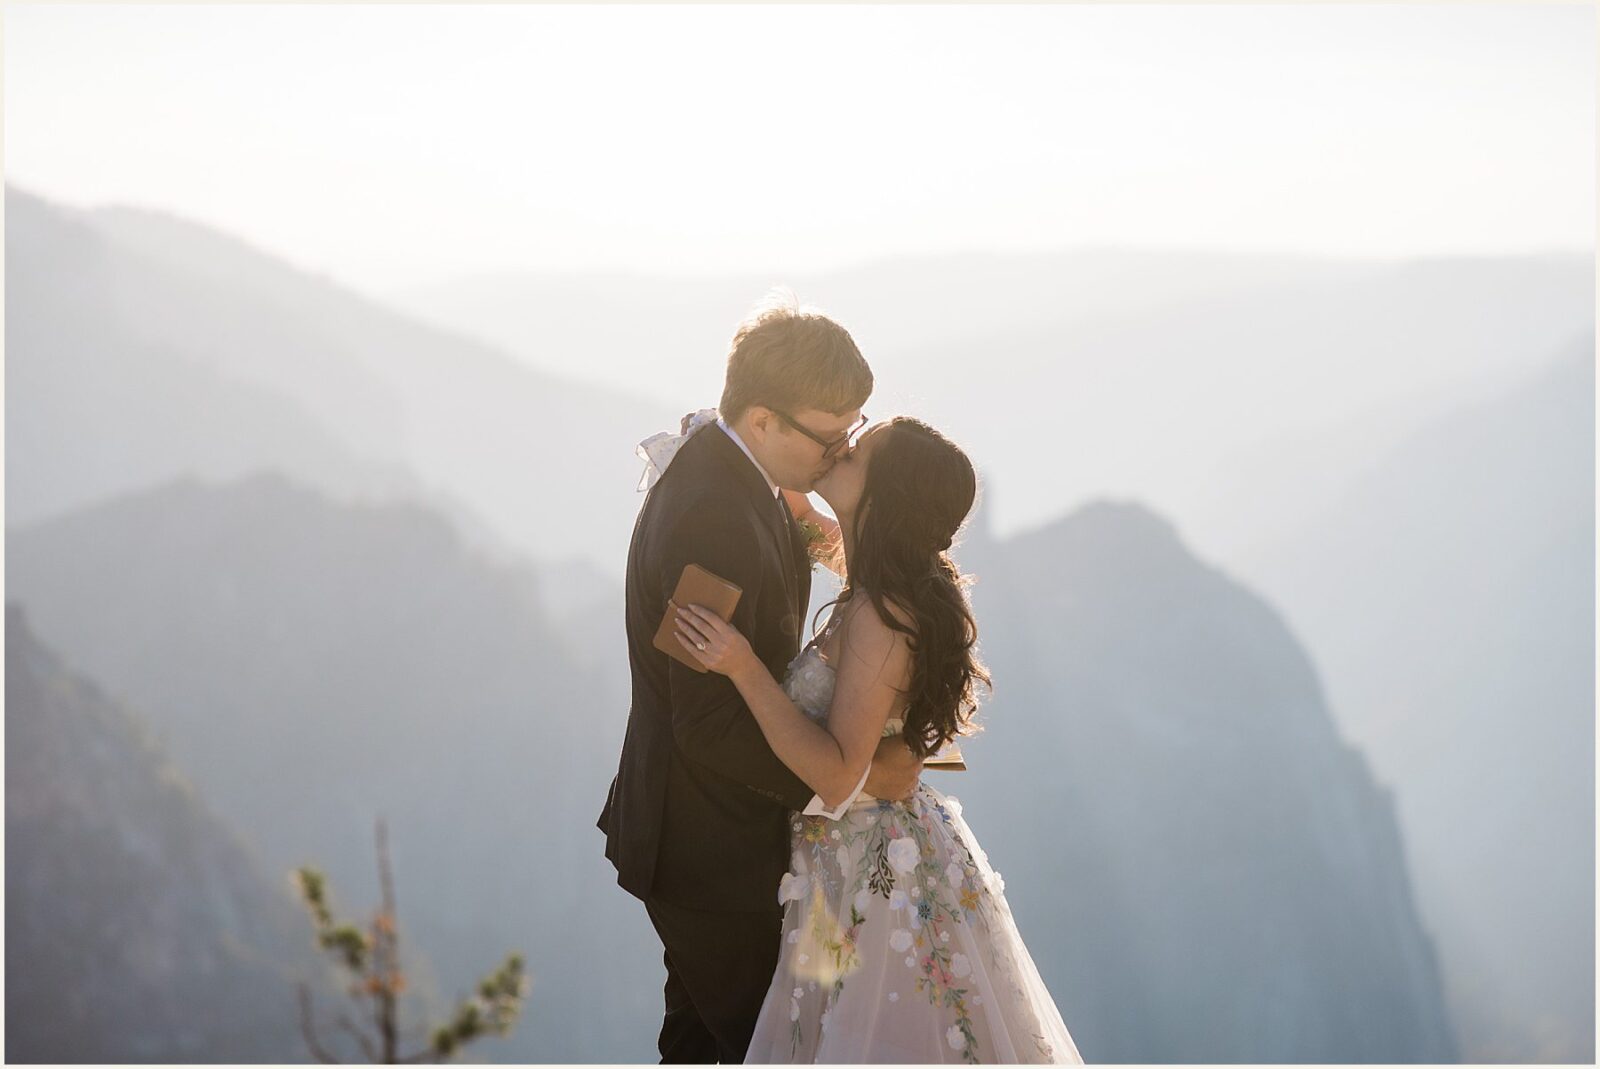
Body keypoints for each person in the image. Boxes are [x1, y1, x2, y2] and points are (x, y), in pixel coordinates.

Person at [672, 416, 1084, 1064]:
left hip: (866, 879)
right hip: (855, 859)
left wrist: (742, 664)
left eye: (858, 450)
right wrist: (725, 440)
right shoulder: (877, 571)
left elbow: (835, 776)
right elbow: (813, 527)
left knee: (862, 1038)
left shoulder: (880, 614)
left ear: (884, 494)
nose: (842, 446)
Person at [596, 291, 926, 1064]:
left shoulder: (752, 477)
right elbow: (705, 722)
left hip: (711, 842)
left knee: (699, 1045)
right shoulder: (711, 514)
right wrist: (847, 777)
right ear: (763, 420)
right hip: (704, 850)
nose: (841, 451)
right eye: (829, 433)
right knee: (774, 1045)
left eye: (851, 430)